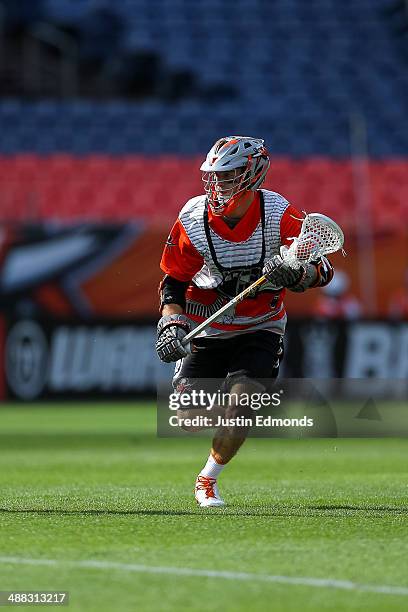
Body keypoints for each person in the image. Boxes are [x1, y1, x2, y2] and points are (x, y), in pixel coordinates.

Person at [156, 136, 334, 507]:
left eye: (229, 174)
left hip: (261, 326)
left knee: (240, 409)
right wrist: (172, 323)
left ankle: (207, 479)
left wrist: (296, 275)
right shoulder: (191, 218)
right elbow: (173, 280)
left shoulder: (278, 213)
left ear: (252, 174)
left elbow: (322, 270)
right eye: (215, 176)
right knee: (188, 416)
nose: (218, 184)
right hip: (208, 327)